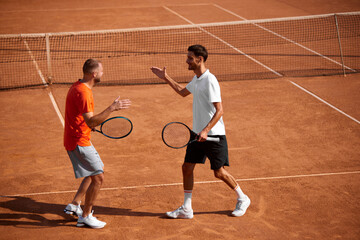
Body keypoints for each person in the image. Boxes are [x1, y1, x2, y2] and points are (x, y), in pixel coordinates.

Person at [150, 45, 250, 219]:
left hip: (213, 135)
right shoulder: (197, 79)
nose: (187, 60)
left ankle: (243, 198)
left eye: (190, 58)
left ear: (200, 59)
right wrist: (165, 77)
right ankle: (187, 209)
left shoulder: (210, 80)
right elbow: (182, 92)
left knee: (219, 172)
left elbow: (220, 110)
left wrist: (206, 130)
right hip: (197, 134)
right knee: (187, 168)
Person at [63, 59, 131, 228]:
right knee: (98, 177)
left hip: (77, 137)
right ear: (94, 74)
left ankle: (75, 204)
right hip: (79, 141)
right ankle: (85, 216)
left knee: (92, 171)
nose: (103, 73)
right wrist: (112, 108)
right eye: (101, 71)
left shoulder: (77, 86)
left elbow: (83, 118)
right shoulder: (84, 93)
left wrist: (88, 125)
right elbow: (92, 121)